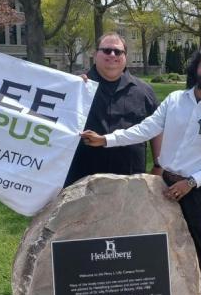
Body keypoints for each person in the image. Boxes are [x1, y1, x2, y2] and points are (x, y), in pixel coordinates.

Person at [80, 45, 201, 295]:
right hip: (161, 184)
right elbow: (146, 128)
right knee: (152, 244)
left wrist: (190, 183)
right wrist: (106, 140)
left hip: (194, 191)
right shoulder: (175, 100)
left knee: (192, 248)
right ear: (195, 68)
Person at [64, 33, 162, 187]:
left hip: (129, 183)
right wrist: (70, 90)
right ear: (95, 54)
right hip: (80, 181)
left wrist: (158, 166)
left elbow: (157, 129)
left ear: (125, 56)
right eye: (106, 50)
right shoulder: (76, 86)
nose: (112, 55)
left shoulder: (144, 92)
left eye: (118, 52)